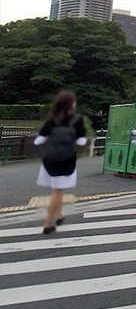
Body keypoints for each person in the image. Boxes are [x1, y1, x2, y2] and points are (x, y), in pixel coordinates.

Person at [33, 90, 87, 234]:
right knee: (57, 191)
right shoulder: (76, 119)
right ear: (71, 104)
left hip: (49, 160)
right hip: (66, 160)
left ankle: (59, 214)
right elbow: (82, 140)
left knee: (56, 189)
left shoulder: (51, 119)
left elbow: (39, 140)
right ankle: (47, 223)